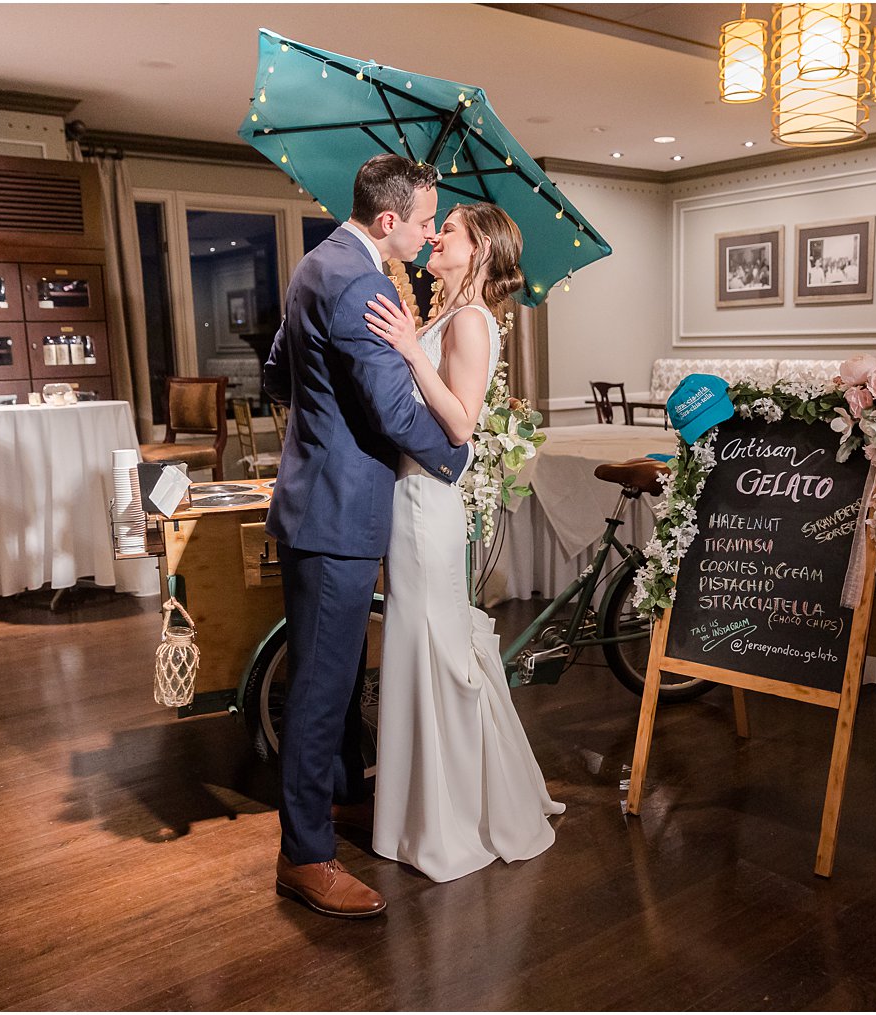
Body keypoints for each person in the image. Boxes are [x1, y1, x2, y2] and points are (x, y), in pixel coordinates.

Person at [263, 154, 470, 919]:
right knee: (321, 688)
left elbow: (280, 371)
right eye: (423, 222)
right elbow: (390, 412)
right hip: (337, 512)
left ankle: (343, 802)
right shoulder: (364, 280)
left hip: (316, 498)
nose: (426, 234)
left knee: (341, 675)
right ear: (388, 221)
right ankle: (305, 855)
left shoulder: (318, 262)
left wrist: (324, 420)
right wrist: (459, 450)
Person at [362, 202, 565, 883]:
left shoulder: (472, 321)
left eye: (447, 228)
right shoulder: (446, 311)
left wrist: (410, 350)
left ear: (478, 249)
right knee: (422, 642)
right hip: (411, 496)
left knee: (432, 643)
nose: (434, 234)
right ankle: (427, 805)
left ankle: (449, 817)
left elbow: (461, 425)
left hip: (427, 503)